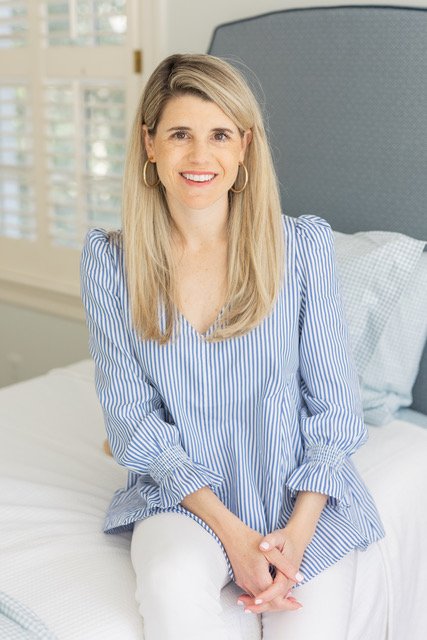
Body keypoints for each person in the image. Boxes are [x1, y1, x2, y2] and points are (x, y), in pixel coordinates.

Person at [80, 53, 385, 639]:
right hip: (184, 500)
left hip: (301, 497)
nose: (200, 156)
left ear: (244, 146)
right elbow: (131, 420)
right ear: (149, 144)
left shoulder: (302, 248)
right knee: (169, 584)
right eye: (180, 134)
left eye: (219, 135)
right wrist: (234, 535)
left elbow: (334, 409)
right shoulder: (111, 263)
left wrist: (297, 533)